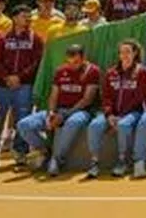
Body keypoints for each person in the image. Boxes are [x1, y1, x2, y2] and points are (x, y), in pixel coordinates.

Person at [16, 44, 101, 176]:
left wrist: (64, 115)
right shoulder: (60, 70)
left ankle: (57, 159)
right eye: (69, 62)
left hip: (80, 111)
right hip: (59, 110)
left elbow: (87, 100)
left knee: (73, 122)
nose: (72, 65)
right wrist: (51, 113)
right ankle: (45, 150)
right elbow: (54, 95)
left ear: (84, 58)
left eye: (76, 62)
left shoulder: (93, 71)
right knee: (23, 125)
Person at [87, 39, 146, 179]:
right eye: (122, 52)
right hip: (112, 114)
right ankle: (94, 162)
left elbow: (141, 97)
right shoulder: (111, 73)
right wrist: (110, 114)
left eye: (128, 52)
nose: (124, 55)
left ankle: (122, 161)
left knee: (123, 125)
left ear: (135, 53)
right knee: (94, 125)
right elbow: (106, 97)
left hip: (132, 112)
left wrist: (121, 117)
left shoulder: (141, 72)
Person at [0, 5, 43, 165]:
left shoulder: (36, 38)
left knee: (22, 119)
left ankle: (20, 152)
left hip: (24, 85)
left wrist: (19, 77)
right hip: (2, 85)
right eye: (24, 16)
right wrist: (6, 77)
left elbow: (36, 62)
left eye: (29, 17)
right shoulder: (3, 38)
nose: (28, 19)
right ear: (14, 18)